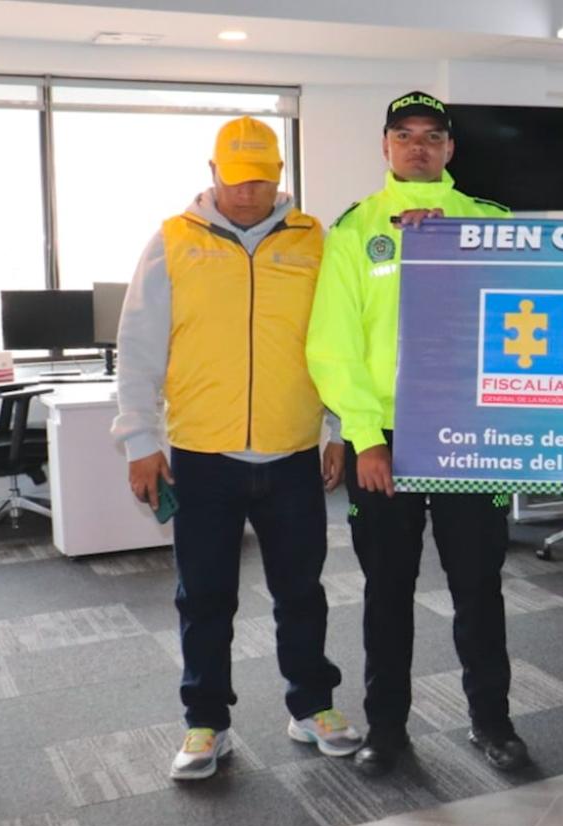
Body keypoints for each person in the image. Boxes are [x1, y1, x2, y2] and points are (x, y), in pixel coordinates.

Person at [113, 116, 361, 781]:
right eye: (235, 176)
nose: (247, 190)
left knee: (301, 590)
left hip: (290, 452)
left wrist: (336, 429)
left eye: (261, 177)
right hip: (201, 453)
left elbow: (336, 344)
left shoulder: (317, 241)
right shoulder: (172, 242)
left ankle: (312, 705)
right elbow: (137, 349)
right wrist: (140, 439)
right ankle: (206, 722)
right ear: (212, 170)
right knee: (205, 596)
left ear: (280, 175)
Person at [307, 91, 529, 776]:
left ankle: (492, 723)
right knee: (387, 590)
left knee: (477, 588)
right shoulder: (354, 231)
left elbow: (525, 317)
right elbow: (332, 347)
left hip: (469, 435)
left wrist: (448, 248)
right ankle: (388, 729)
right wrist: (366, 436)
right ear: (385, 147)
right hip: (389, 442)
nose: (418, 147)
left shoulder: (491, 223)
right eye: (404, 136)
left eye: (432, 137)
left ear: (450, 150)